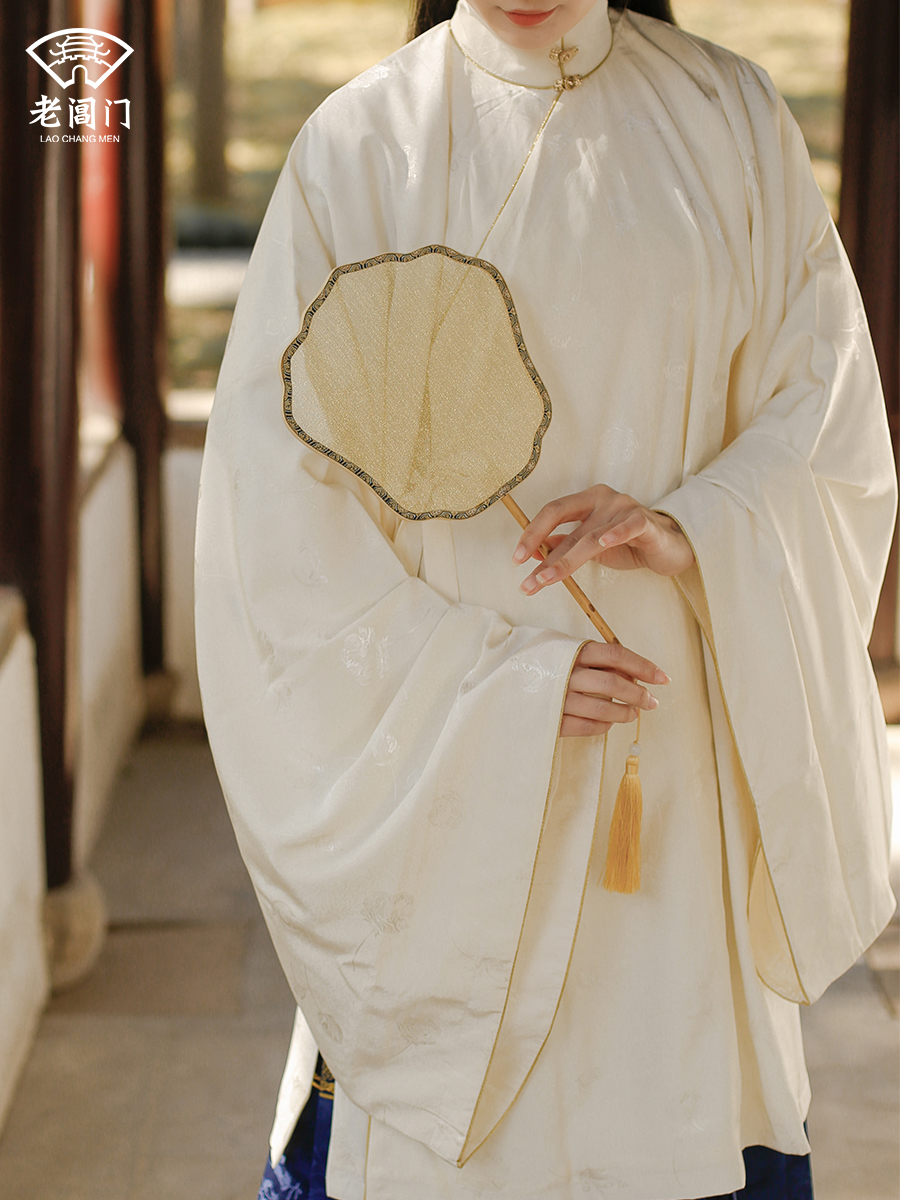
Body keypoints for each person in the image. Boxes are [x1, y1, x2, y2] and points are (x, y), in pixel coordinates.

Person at [194, 1, 897, 1198]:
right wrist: (498, 688)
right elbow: (274, 538)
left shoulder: (730, 121)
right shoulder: (362, 147)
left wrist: (700, 525)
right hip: (449, 799)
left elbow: (823, 419)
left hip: (678, 760)